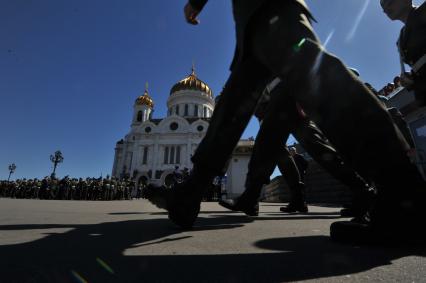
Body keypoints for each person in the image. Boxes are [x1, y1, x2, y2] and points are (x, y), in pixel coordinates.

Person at [146, 0, 426, 243]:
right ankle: (190, 193)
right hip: (255, 15)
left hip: (269, 8)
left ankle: (403, 195)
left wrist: (197, 1)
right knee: (236, 99)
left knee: (313, 73)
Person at [381, 0, 426, 106]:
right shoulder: (400, 41)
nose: (386, 9)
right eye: (383, 9)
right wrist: (411, 78)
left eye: (390, 2)